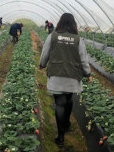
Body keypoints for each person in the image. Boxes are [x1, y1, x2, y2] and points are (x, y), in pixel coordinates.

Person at [39, 13, 91, 146]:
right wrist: (87, 73)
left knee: (59, 103)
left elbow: (45, 53)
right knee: (68, 99)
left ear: (60, 23)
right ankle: (67, 123)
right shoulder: (78, 40)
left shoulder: (53, 36)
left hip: (57, 74)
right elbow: (84, 59)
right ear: (73, 24)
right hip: (72, 76)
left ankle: (60, 136)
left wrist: (42, 64)